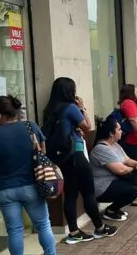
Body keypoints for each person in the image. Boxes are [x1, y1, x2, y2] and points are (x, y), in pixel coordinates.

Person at [0, 95, 75, 255]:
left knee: (14, 230)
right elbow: (43, 154)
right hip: (32, 186)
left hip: (5, 189)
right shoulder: (30, 127)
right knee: (42, 225)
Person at [41, 77, 117, 243]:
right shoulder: (71, 108)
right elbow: (88, 126)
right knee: (88, 191)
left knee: (70, 194)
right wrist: (82, 108)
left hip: (62, 157)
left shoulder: (49, 109)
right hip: (75, 154)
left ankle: (74, 232)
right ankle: (100, 228)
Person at [90, 117, 137, 221]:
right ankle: (110, 211)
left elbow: (127, 160)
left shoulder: (115, 145)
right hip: (102, 187)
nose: (121, 132)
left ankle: (116, 208)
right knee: (134, 190)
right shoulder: (101, 149)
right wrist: (134, 168)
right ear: (111, 134)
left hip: (113, 182)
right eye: (119, 130)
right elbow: (120, 170)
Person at [117, 84, 137, 165]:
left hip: (136, 142)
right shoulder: (129, 103)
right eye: (136, 91)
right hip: (134, 141)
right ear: (130, 93)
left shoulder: (130, 103)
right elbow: (133, 119)